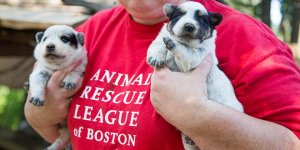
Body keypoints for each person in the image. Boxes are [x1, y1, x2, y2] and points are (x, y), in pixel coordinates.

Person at [24, 0, 300, 149]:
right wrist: (39, 112)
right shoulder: (91, 31)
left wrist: (199, 116)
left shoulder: (244, 36)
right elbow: (53, 131)